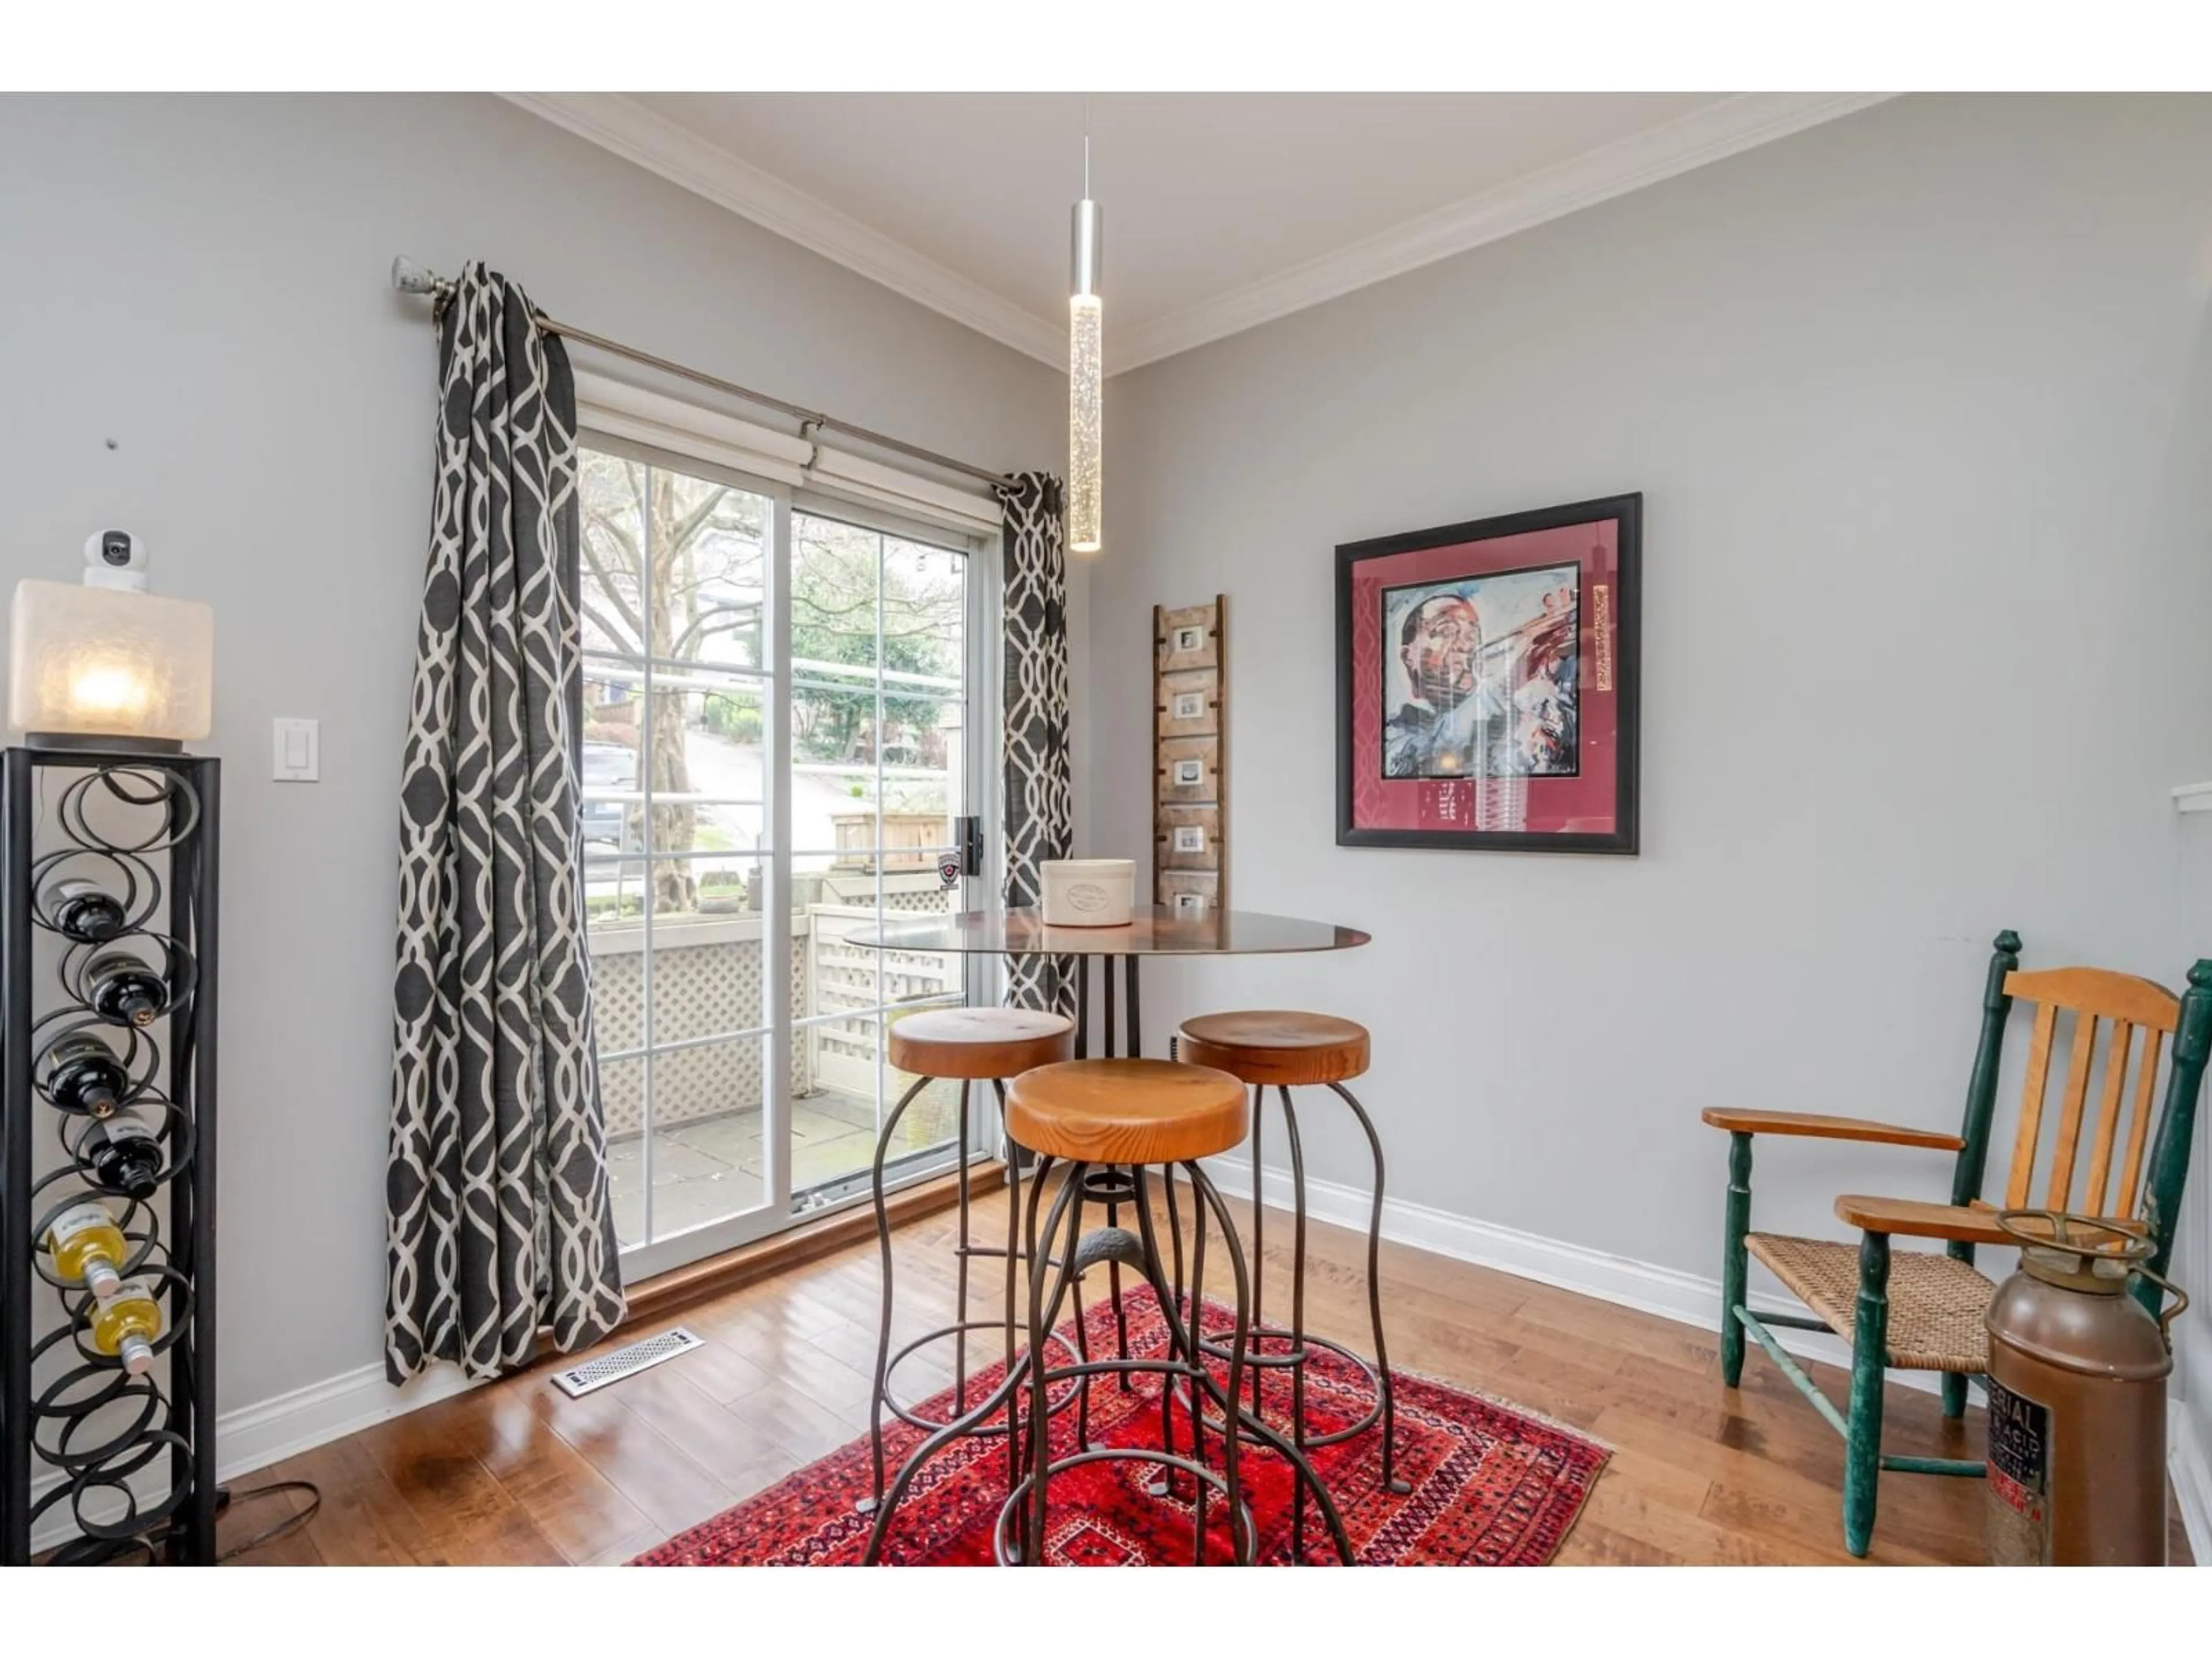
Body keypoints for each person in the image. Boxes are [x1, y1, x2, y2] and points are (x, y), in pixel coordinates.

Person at [1382, 592, 1509, 778]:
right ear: (1409, 656)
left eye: (1473, 636)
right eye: (1447, 632)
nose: (1466, 646)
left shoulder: (1498, 714)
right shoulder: (1393, 737)